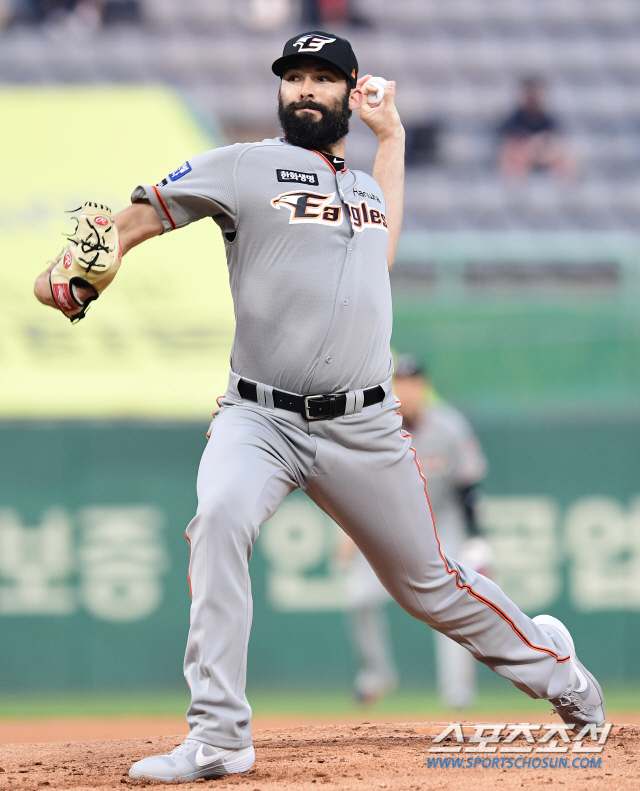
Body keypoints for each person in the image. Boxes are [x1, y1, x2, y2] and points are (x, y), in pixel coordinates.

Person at [34, 30, 604, 783]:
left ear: (349, 91)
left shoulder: (365, 189)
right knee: (220, 518)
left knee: (430, 585)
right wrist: (80, 267)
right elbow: (145, 212)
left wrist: (391, 137)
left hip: (363, 427)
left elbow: (387, 248)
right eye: (294, 77)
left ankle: (565, 678)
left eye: (322, 78)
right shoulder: (243, 165)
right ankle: (218, 735)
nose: (305, 88)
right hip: (258, 417)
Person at [339, 355, 491, 708]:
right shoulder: (377, 426)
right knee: (359, 596)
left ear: (425, 387)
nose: (408, 388)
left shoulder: (450, 426)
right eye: (401, 382)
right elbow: (355, 484)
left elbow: (469, 485)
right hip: (388, 523)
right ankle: (376, 674)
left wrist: (476, 538)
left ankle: (458, 690)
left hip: (442, 521)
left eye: (414, 382)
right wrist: (348, 531)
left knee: (454, 602)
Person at [497, 76, 576, 180]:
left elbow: (555, 138)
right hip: (521, 158)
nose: (533, 99)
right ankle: (515, 190)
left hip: (544, 155)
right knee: (512, 155)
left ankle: (565, 188)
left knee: (564, 156)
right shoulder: (513, 120)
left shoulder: (548, 119)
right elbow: (506, 140)